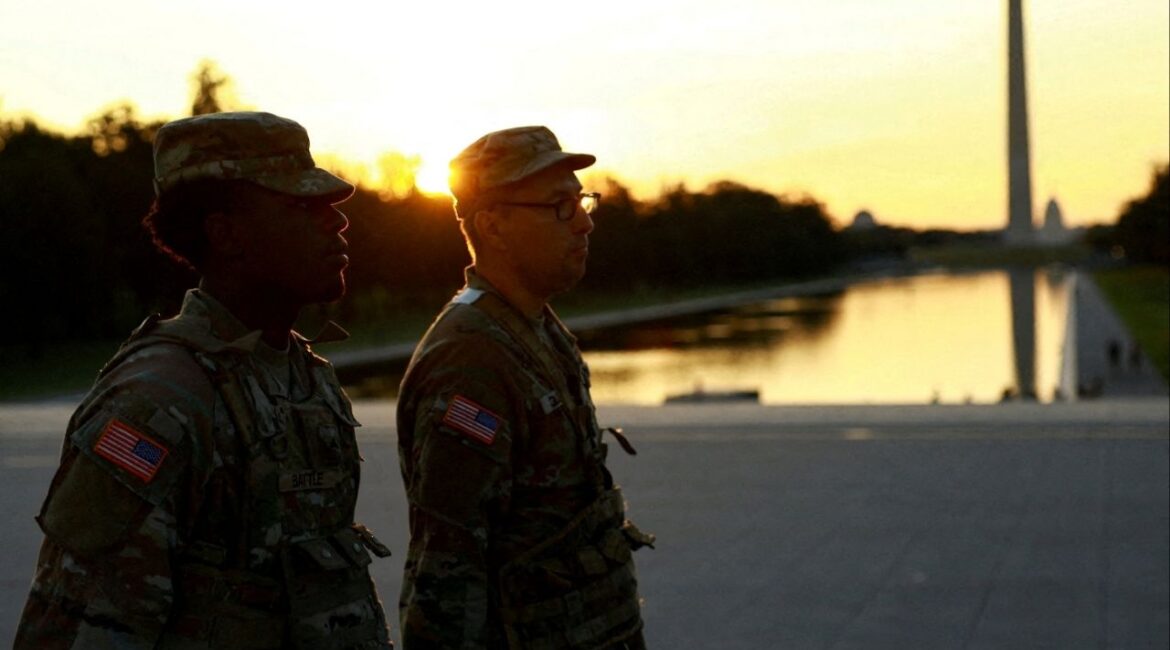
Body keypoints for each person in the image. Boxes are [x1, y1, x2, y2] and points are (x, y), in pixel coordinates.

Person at [15, 111, 393, 649]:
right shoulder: (158, 402)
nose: (337, 223)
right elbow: (83, 628)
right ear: (226, 233)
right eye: (302, 206)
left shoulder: (305, 376)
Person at [396, 126, 654, 649]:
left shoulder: (534, 326)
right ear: (494, 225)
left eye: (582, 200)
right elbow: (447, 569)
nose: (583, 222)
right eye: (560, 206)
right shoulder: (471, 358)